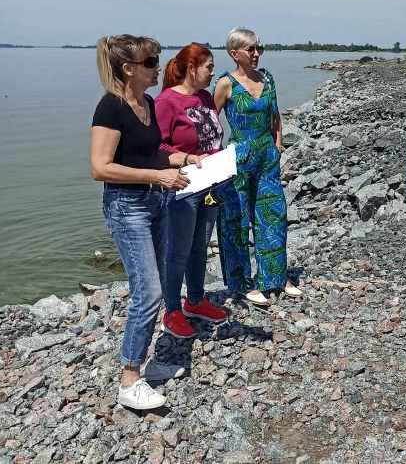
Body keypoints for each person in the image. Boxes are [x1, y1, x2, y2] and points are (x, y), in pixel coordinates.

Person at [90, 34, 192, 410]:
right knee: (147, 292)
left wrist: (179, 159)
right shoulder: (110, 108)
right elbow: (100, 168)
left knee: (161, 286)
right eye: (151, 62)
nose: (157, 67)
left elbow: (150, 153)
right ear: (128, 68)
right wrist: (156, 177)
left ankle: (150, 361)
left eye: (157, 59)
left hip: (157, 202)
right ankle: (129, 378)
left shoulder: (147, 102)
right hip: (127, 206)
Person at [213, 27, 302, 306]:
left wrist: (278, 145)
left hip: (266, 157)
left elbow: (275, 115)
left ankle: (275, 277)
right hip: (239, 157)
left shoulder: (268, 79)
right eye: (250, 49)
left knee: (273, 215)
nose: (256, 54)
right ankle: (242, 283)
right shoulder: (225, 84)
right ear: (234, 53)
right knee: (237, 221)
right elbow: (210, 122)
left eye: (258, 48)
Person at [155, 43, 229, 339]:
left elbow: (212, 137)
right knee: (178, 250)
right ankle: (172, 309)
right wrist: (185, 159)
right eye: (209, 67)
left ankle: (195, 301)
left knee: (199, 246)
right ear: (192, 68)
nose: (213, 72)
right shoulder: (165, 101)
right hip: (183, 187)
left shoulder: (205, 98)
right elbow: (157, 147)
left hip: (211, 183)